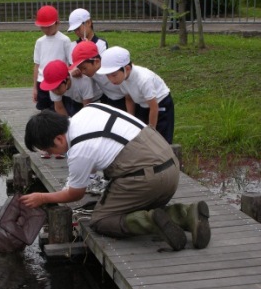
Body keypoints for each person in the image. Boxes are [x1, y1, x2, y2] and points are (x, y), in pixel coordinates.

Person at [20, 105, 210, 251]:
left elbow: (75, 194)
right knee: (126, 199)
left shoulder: (79, 150)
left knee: (101, 220)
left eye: (49, 150)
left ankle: (152, 220)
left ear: (59, 139)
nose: (53, 155)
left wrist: (43, 197)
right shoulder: (89, 110)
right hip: (172, 168)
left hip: (148, 180)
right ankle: (187, 214)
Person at [96, 46, 175, 144]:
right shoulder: (121, 79)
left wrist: (151, 131)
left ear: (127, 68)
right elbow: (129, 99)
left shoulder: (144, 79)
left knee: (159, 140)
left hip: (160, 104)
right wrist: (131, 120)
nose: (111, 80)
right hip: (142, 104)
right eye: (108, 76)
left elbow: (154, 107)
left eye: (114, 75)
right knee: (140, 136)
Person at [33, 5, 72, 112]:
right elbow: (37, 65)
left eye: (48, 26)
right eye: (42, 27)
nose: (45, 29)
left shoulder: (65, 40)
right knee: (44, 112)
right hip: (42, 82)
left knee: (58, 109)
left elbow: (70, 62)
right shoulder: (39, 42)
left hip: (58, 82)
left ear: (57, 23)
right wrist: (35, 88)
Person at [70, 41, 127, 111]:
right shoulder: (91, 70)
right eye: (80, 68)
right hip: (110, 100)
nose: (82, 72)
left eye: (84, 68)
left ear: (96, 62)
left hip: (127, 99)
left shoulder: (112, 69)